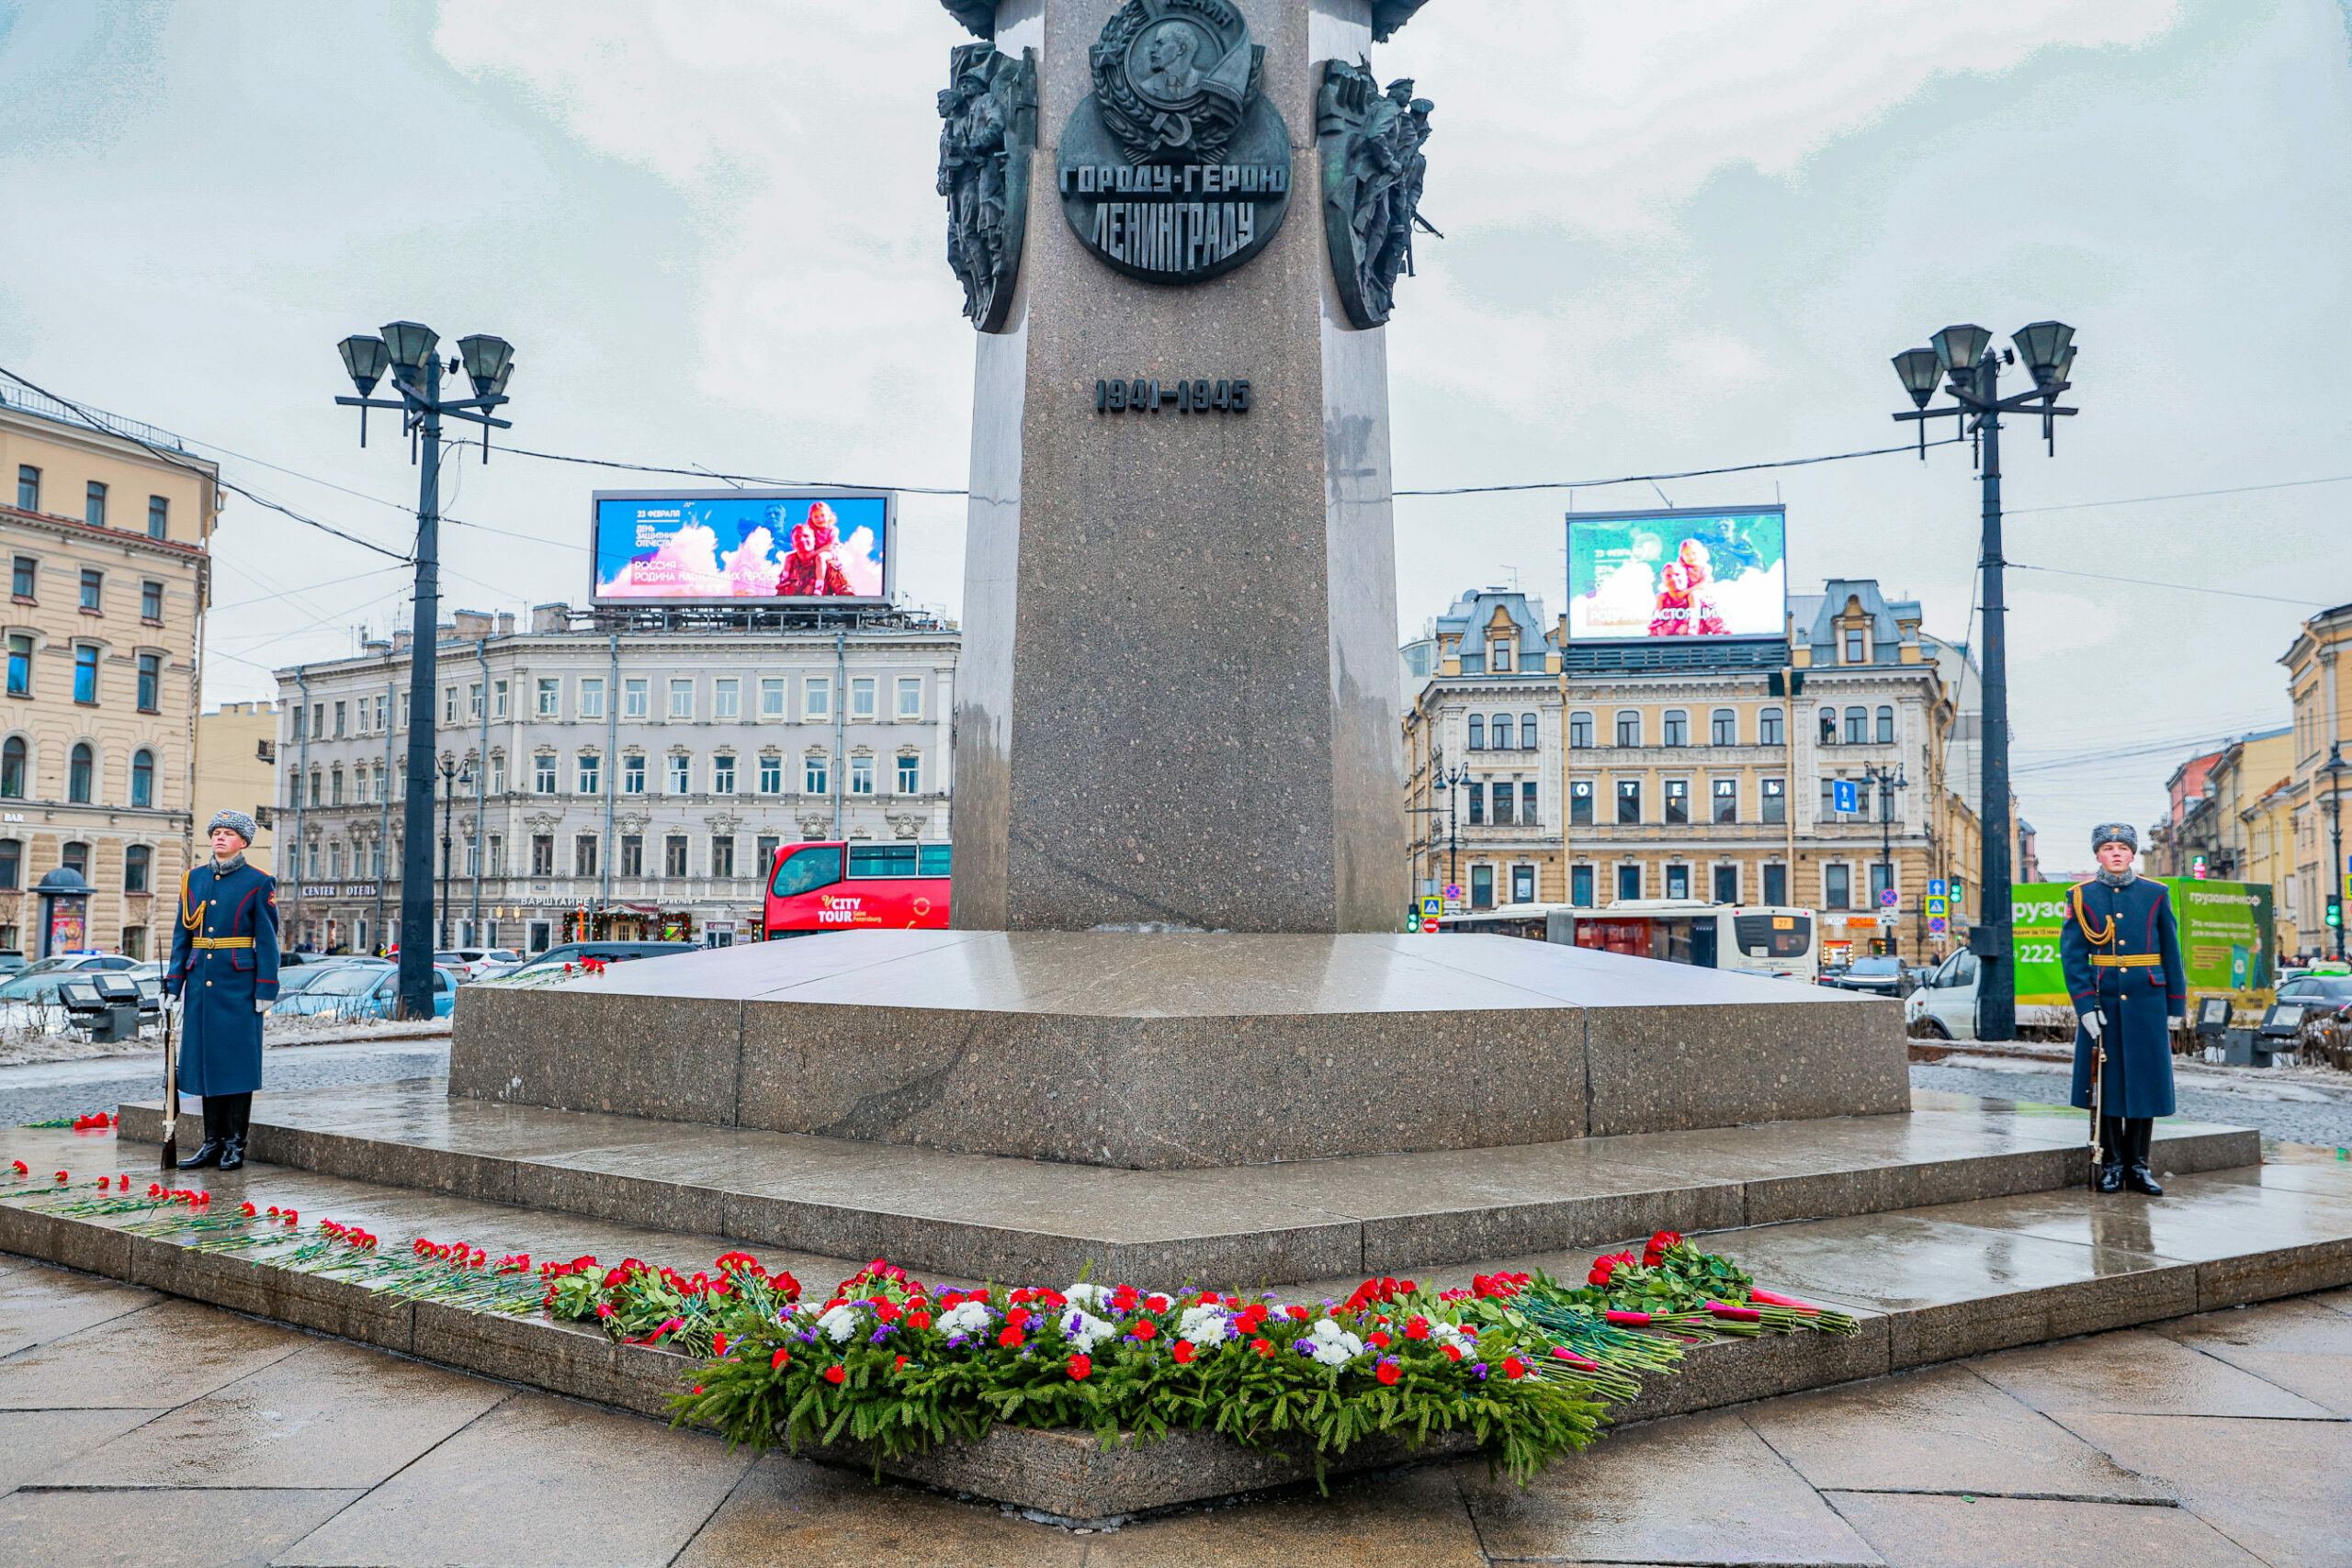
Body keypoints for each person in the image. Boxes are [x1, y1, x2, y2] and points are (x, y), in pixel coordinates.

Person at [2061, 822, 2183, 1194]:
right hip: (2104, 1003)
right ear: (2097, 854)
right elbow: (2074, 956)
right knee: (2108, 1087)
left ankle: (2139, 1166)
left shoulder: (2156, 894)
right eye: (2108, 847)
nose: (2116, 853)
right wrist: (2084, 1007)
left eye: (2123, 847)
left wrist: (2175, 1005)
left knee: (2145, 1085)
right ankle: (2112, 1165)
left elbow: (2171, 953)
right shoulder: (2081, 897)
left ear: (2132, 854)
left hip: (2147, 1003)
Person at [164, 810, 280, 1171]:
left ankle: (234, 1145)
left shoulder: (258, 882)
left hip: (238, 987)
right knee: (203, 1067)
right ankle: (211, 1143)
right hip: (200, 987)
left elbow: (268, 940)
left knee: (237, 1067)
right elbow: (183, 937)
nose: (219, 838)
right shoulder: (192, 880)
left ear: (243, 842)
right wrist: (173, 984)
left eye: (228, 833)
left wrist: (266, 988)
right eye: (216, 832)